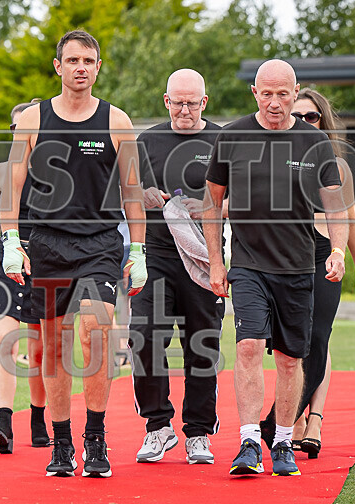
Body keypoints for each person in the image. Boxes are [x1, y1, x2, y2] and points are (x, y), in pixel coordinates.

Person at [0, 30, 147, 478]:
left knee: (96, 337)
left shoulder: (116, 121)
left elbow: (133, 194)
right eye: (73, 60)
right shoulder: (33, 121)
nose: (81, 67)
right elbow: (11, 185)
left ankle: (96, 437)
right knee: (56, 350)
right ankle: (60, 445)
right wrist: (11, 241)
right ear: (58, 66)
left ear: (98, 67)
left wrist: (137, 249)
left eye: (89, 60)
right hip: (47, 244)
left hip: (100, 244)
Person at [203, 59, 348, 477]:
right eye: (266, 93)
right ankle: (249, 440)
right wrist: (216, 261)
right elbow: (213, 204)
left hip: (300, 267)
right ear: (254, 93)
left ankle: (283, 441)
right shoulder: (231, 137)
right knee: (248, 347)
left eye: (283, 93)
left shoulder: (313, 143)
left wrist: (337, 251)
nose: (274, 102)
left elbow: (336, 206)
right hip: (248, 265)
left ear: (295, 91)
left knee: (289, 359)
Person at [259, 88, 355, 459]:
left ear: (323, 120)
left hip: (325, 253)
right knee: (289, 344)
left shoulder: (337, 167)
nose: (307, 122)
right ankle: (297, 422)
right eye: (300, 115)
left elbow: (351, 222)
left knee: (318, 338)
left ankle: (288, 421)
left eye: (313, 117)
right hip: (285, 256)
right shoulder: (278, 155)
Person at [130, 69, 224, 465]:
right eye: (177, 102)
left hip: (205, 256)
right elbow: (126, 192)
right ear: (165, 101)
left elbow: (241, 197)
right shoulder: (146, 140)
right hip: (156, 256)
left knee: (202, 345)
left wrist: (208, 207)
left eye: (192, 102)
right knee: (144, 338)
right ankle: (158, 427)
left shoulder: (222, 139)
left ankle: (199, 433)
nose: (184, 110)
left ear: (205, 102)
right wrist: (142, 195)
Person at [0, 99, 49, 454]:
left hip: (43, 261)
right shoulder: (0, 172)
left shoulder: (55, 172)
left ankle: (38, 416)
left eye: (28, 128)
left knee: (38, 352)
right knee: (5, 343)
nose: (21, 134)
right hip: (4, 260)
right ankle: (3, 422)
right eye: (16, 129)